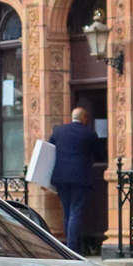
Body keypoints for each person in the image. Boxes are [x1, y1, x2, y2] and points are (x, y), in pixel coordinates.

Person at [48, 106, 105, 253]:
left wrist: (44, 178)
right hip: (80, 178)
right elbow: (101, 155)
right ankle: (72, 247)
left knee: (67, 211)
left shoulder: (58, 132)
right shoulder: (89, 133)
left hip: (60, 177)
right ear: (85, 118)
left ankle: (71, 244)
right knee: (75, 211)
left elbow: (48, 152)